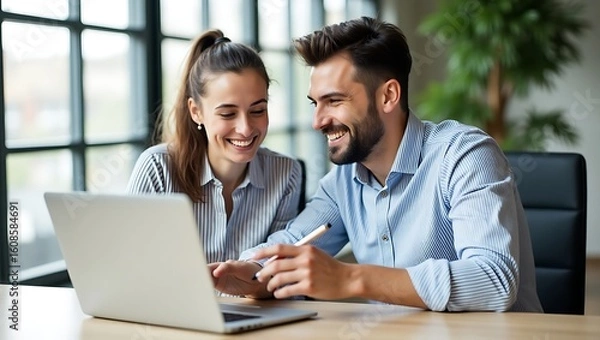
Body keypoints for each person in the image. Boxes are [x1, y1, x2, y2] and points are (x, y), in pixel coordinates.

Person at [210, 17, 543, 313]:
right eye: (315, 103)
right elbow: (294, 240)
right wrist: (250, 271)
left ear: (388, 96)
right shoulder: (343, 181)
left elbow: (494, 279)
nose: (318, 121)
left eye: (334, 101)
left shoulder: (465, 155)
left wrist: (351, 278)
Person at [127, 29, 303, 263]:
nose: (246, 128)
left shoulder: (286, 174)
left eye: (258, 110)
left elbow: (278, 271)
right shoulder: (158, 169)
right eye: (228, 113)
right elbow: (131, 265)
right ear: (196, 112)